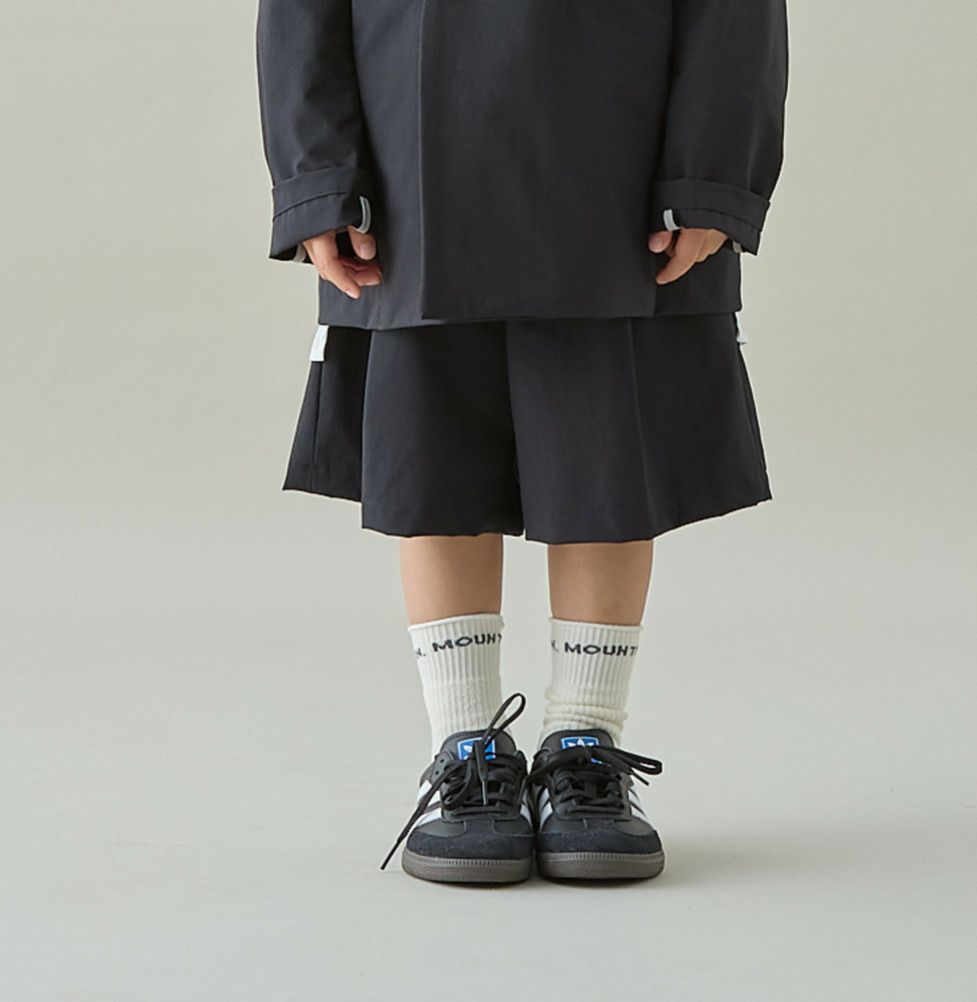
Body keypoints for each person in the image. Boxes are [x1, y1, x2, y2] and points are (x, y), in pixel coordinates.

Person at [256, 0, 788, 884]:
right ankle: (467, 749)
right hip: (406, 152)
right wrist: (317, 176)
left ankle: (586, 741)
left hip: (624, 150)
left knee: (604, 457)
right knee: (434, 458)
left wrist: (711, 172)